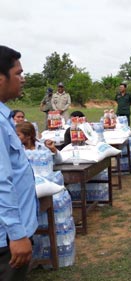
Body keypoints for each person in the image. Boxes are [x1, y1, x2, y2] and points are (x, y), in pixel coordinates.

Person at [0, 45, 38, 281]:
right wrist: (16, 234)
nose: (23, 80)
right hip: (7, 239)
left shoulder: (5, 117)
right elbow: (1, 181)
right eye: (18, 74)